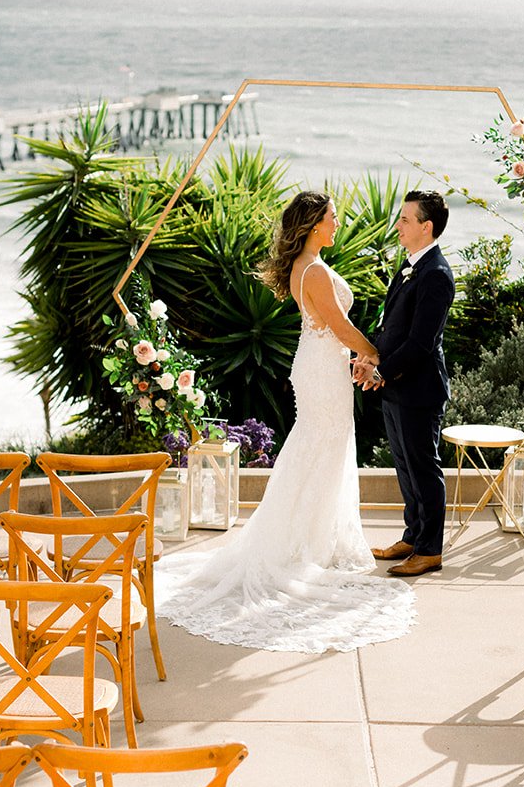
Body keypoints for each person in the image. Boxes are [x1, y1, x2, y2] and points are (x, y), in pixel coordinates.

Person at [153, 191, 416, 653]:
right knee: (320, 448)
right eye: (333, 218)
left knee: (322, 449)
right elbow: (338, 325)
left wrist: (358, 354)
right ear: (315, 224)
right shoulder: (313, 271)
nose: (338, 224)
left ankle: (314, 540)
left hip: (320, 365)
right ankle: (301, 546)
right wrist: (373, 352)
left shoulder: (308, 265)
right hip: (320, 367)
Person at [356, 190, 455, 577]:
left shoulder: (436, 275)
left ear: (426, 227)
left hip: (420, 390)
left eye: (405, 220)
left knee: (423, 468)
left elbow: (420, 343)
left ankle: (430, 549)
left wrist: (381, 372)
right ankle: (413, 536)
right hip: (396, 386)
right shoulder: (409, 266)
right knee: (404, 467)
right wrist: (369, 357)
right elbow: (389, 326)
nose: (398, 225)